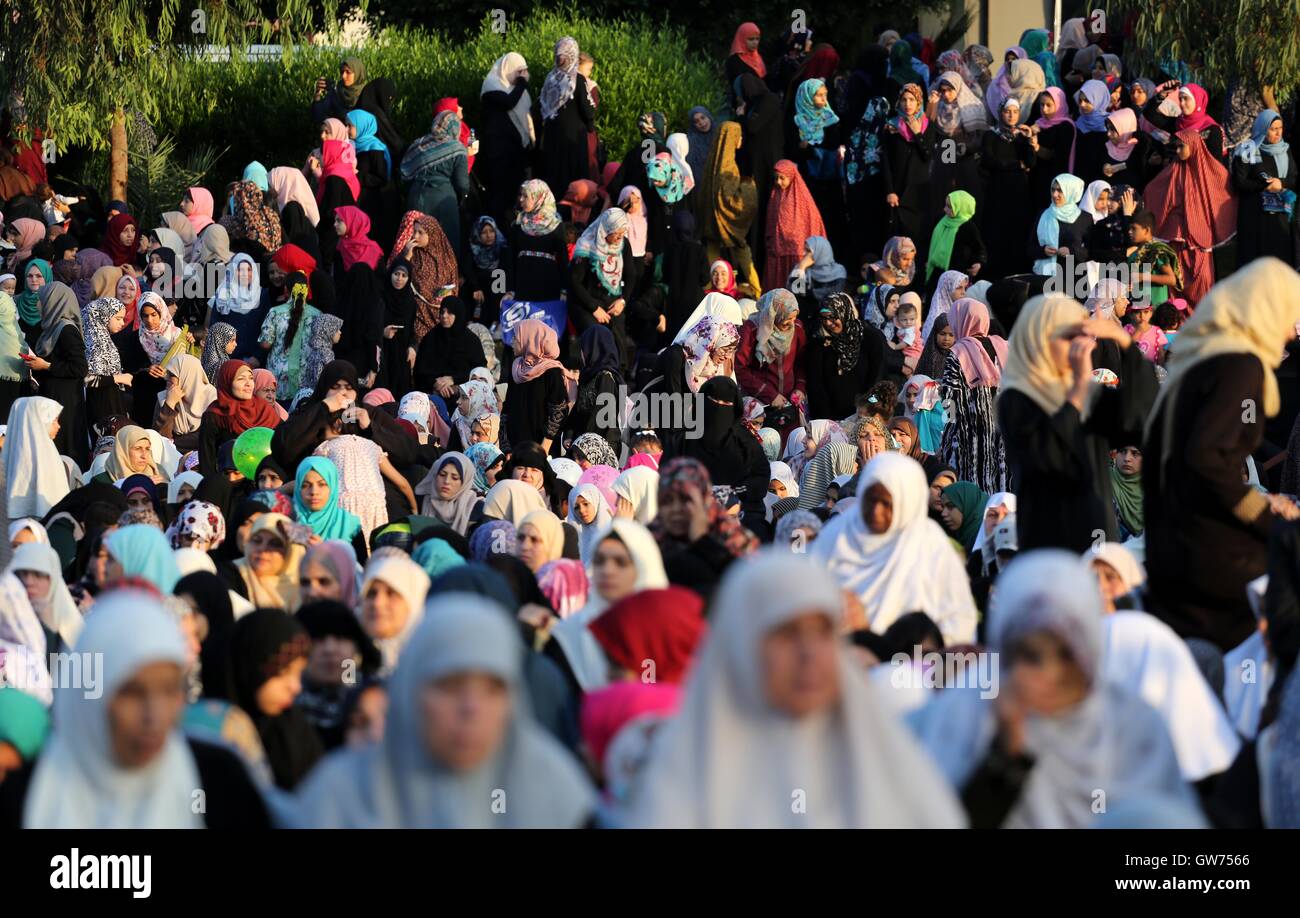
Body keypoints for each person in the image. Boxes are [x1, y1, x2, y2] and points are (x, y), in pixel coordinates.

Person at [628, 548, 966, 829]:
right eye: (786, 633)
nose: (809, 653)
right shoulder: (683, 774)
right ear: (742, 645)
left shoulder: (881, 757)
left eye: (822, 632)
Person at [907, 551, 1196, 828]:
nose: (1047, 672)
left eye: (1066, 653)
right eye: (1028, 654)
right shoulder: (962, 719)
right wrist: (1006, 756)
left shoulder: (1133, 727)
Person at [293, 595, 595, 828]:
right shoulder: (341, 797)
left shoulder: (553, 789)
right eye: (450, 686)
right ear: (409, 689)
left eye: (492, 688)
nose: (471, 708)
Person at [0, 590, 270, 828]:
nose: (153, 715)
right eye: (131, 692)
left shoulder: (217, 779)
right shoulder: (25, 796)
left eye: (168, 690)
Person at [1145, 259, 1300, 652]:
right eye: (1288, 316)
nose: (1290, 331)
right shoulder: (1240, 365)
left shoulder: (1205, 356)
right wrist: (1262, 510)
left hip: (1175, 544)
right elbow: (1208, 459)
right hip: (1213, 560)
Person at [998, 294, 1156, 554]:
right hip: (1050, 547)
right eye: (1070, 337)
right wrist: (1080, 389)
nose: (1082, 347)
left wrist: (1125, 343)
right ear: (1041, 340)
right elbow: (1048, 454)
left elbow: (1139, 416)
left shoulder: (1089, 393)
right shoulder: (1017, 398)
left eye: (1085, 337)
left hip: (1100, 547)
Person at [812, 452, 977, 643]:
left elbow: (958, 622)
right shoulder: (836, 537)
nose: (876, 511)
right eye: (870, 500)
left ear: (907, 504)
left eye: (887, 504)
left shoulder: (931, 547)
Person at [228, 609, 323, 790]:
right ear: (250, 670)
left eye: (299, 673)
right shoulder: (212, 733)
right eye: (283, 673)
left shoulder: (297, 733)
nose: (296, 687)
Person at [1143, 130, 1237, 304]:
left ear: (1193, 145)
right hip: (1178, 241)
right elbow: (1153, 190)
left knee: (1203, 286)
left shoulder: (1212, 170)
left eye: (1181, 147)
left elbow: (1224, 194)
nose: (1178, 151)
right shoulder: (1173, 171)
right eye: (1176, 147)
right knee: (1177, 286)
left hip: (1201, 243)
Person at [939, 297, 1008, 494]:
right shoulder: (1004, 347)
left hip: (971, 440)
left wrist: (946, 440)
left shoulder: (957, 352)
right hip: (1005, 435)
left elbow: (949, 403)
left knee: (974, 495)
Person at [696, 121, 760, 297]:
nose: (741, 140)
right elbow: (731, 199)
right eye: (738, 137)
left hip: (710, 223)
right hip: (729, 225)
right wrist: (748, 186)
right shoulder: (729, 167)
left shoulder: (711, 165)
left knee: (712, 250)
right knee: (743, 251)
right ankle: (757, 291)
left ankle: (709, 289)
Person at [1233, 109, 1296, 268]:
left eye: (1280, 128)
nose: (1278, 133)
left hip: (1281, 216)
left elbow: (1294, 178)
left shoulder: (1285, 149)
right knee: (1256, 263)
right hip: (1255, 216)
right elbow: (1239, 182)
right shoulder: (1248, 149)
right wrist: (1265, 186)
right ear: (1262, 128)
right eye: (1273, 129)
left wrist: (1281, 184)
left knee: (1280, 261)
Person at [400, 111, 471, 252]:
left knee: (416, 243)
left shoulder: (419, 144)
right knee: (445, 245)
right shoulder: (457, 148)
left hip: (417, 197)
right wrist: (462, 197)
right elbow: (462, 184)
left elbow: (404, 173)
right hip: (444, 201)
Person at [478, 52, 535, 224]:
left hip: (516, 152)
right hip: (498, 151)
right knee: (500, 195)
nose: (522, 76)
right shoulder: (492, 86)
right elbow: (509, 102)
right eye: (519, 72)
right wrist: (523, 84)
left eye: (524, 72)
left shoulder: (518, 91)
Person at [880, 84, 935, 263]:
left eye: (912, 100)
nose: (907, 104)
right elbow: (886, 161)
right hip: (898, 192)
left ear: (919, 102)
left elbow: (927, 155)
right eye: (904, 99)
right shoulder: (892, 127)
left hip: (919, 192)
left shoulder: (927, 125)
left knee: (917, 238)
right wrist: (889, 190)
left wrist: (917, 132)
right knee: (897, 239)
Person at [539, 36, 596, 195]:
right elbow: (588, 110)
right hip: (573, 143)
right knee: (575, 187)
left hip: (552, 140)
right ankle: (575, 218)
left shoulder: (550, 79)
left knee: (554, 183)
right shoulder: (577, 80)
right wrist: (591, 126)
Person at [4, 396, 70, 521]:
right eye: (54, 420)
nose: (59, 426)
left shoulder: (50, 455)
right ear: (38, 421)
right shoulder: (46, 459)